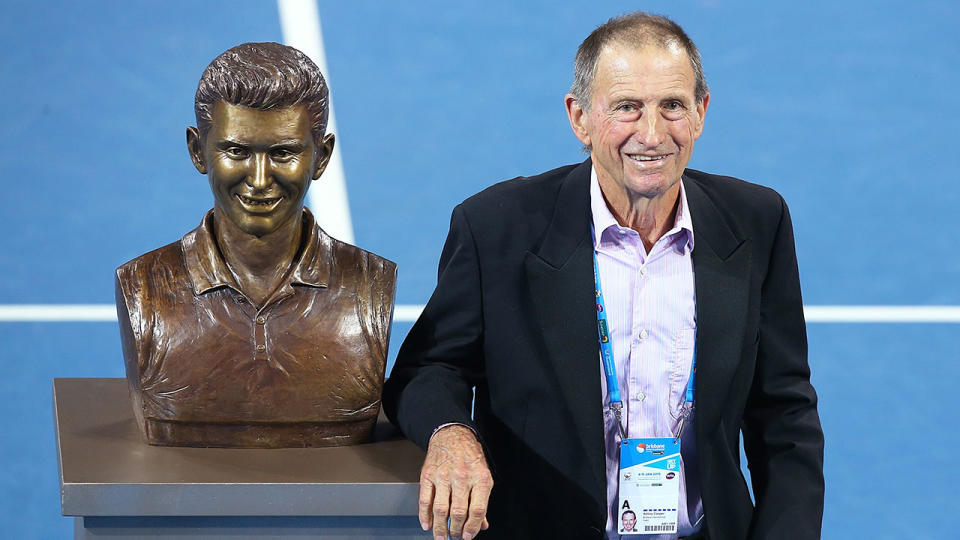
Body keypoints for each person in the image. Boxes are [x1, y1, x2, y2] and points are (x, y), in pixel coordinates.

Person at [383, 11, 823, 540]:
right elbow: (427, 368)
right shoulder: (495, 229)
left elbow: (785, 412)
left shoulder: (756, 221)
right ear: (580, 118)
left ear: (701, 112)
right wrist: (451, 432)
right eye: (627, 108)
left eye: (673, 106)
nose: (652, 133)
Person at [116, 42, 396, 448]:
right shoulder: (141, 285)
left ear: (322, 156)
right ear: (198, 150)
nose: (260, 179)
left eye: (283, 153)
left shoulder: (372, 284)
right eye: (236, 151)